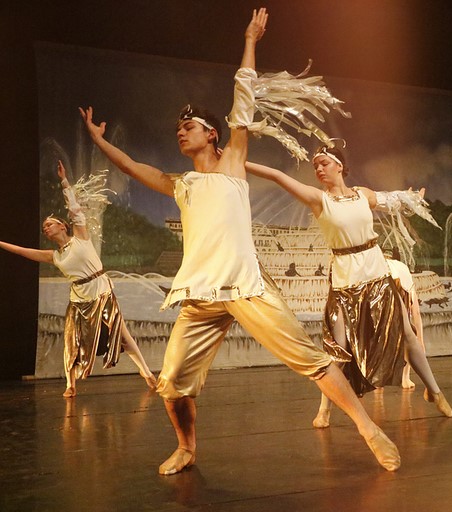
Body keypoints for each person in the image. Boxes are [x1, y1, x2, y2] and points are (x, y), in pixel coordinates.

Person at [79, 8, 400, 474]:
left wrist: (251, 40)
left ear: (211, 134)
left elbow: (243, 101)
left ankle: (370, 429)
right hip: (202, 293)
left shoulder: (232, 162)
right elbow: (131, 166)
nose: (179, 133)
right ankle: (187, 447)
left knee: (310, 359)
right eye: (177, 130)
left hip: (247, 286)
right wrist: (97, 140)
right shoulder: (180, 183)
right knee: (172, 384)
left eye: (187, 127)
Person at [244, 143, 452, 427]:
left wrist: (412, 199)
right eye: (315, 165)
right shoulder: (319, 199)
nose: (318, 169)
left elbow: (392, 200)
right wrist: (237, 161)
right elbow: (279, 176)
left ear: (339, 166)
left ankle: (434, 391)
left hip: (377, 273)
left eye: (324, 163)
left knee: (407, 332)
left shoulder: (361, 195)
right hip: (345, 282)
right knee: (338, 349)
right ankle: (325, 408)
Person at [0, 161, 156, 397]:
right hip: (79, 298)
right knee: (71, 339)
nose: (46, 229)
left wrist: (64, 181)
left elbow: (74, 208)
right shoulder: (54, 256)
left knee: (122, 335)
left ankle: (147, 373)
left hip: (102, 292)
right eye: (44, 228)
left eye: (49, 224)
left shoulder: (80, 237)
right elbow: (23, 251)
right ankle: (70, 384)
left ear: (62, 226)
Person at [384, 252, 426, 390]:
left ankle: (386, 380)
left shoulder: (391, 275)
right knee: (410, 340)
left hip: (389, 322)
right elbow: (416, 312)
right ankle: (405, 377)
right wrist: (420, 338)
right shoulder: (405, 279)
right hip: (397, 323)